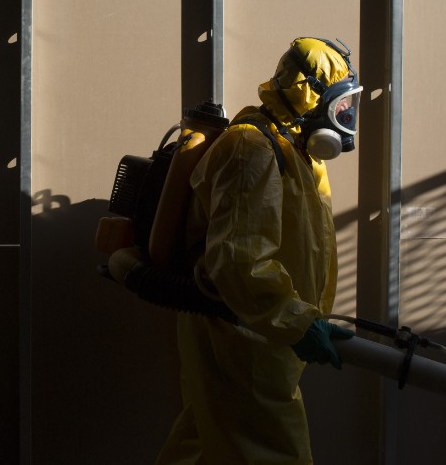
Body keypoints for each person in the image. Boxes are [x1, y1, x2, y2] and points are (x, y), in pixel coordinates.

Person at [122, 37, 362, 464]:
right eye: (341, 106)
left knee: (202, 445)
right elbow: (238, 262)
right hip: (242, 336)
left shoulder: (294, 150)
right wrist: (296, 321)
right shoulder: (253, 149)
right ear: (308, 95)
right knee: (272, 453)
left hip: (260, 334)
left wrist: (300, 320)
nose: (346, 119)